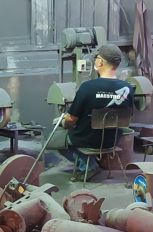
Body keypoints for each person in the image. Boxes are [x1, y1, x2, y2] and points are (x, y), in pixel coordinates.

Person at [56, 43, 134, 181]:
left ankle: (88, 166)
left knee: (57, 140)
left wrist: (64, 124)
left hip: (86, 140)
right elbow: (127, 117)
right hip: (112, 141)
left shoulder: (87, 87)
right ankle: (90, 164)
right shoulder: (128, 88)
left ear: (100, 62)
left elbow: (71, 119)